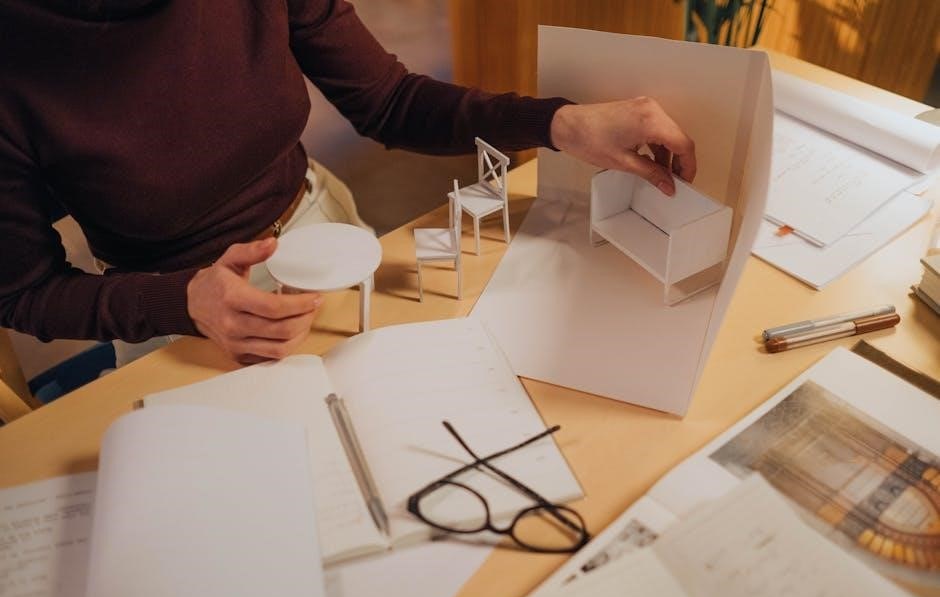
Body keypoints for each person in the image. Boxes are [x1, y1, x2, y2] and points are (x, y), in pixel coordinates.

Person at [0, 0, 696, 366]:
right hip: (172, 306)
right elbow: (22, 291)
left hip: (321, 228)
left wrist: (558, 123)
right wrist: (181, 302)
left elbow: (389, 100)